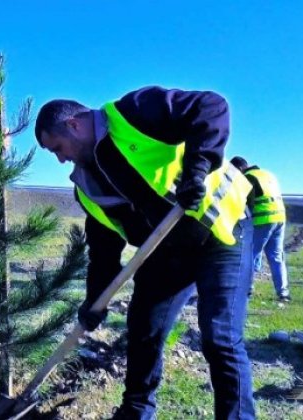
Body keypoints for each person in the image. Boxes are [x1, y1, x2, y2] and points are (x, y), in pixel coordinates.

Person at [35, 87, 256, 419]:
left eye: (58, 148)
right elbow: (104, 249)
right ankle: (136, 411)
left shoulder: (134, 113)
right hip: (168, 248)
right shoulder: (87, 186)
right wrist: (95, 301)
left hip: (221, 231)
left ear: (75, 125)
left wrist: (197, 170)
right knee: (143, 329)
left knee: (219, 336)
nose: (61, 159)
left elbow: (211, 105)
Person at [230, 157, 290, 302]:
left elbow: (246, 204)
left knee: (250, 256)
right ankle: (283, 293)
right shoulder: (268, 174)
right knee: (276, 257)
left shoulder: (247, 178)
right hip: (279, 218)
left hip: (262, 220)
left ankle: (246, 290)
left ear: (239, 169)